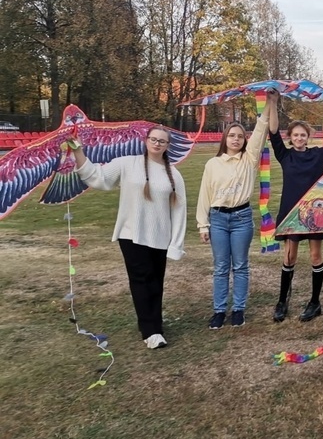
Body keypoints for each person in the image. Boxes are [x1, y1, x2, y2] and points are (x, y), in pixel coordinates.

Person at [70, 127, 186, 350]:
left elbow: (180, 210)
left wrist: (176, 244)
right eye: (153, 139)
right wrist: (78, 152)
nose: (157, 144)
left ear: (168, 146)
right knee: (141, 280)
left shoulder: (174, 174)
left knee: (155, 282)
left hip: (160, 237)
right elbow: (98, 177)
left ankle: (155, 324)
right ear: (146, 141)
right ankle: (150, 331)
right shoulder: (126, 164)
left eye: (162, 141)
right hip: (131, 234)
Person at [196, 89, 279, 330]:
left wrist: (271, 102)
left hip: (242, 218)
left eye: (240, 137)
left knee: (241, 265)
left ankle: (239, 309)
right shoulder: (213, 164)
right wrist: (204, 224)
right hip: (219, 219)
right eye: (232, 135)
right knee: (221, 267)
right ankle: (219, 310)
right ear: (225, 138)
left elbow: (262, 127)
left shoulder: (249, 159)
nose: (236, 139)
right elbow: (205, 195)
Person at [269, 110, 323, 323]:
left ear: (308, 136)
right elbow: (272, 131)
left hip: (316, 213)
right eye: (295, 135)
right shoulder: (285, 155)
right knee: (289, 256)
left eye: (303, 135)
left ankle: (315, 302)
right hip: (291, 213)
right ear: (290, 137)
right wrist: (272, 102)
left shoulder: (317, 154)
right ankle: (282, 301)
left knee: (316, 256)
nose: (299, 138)